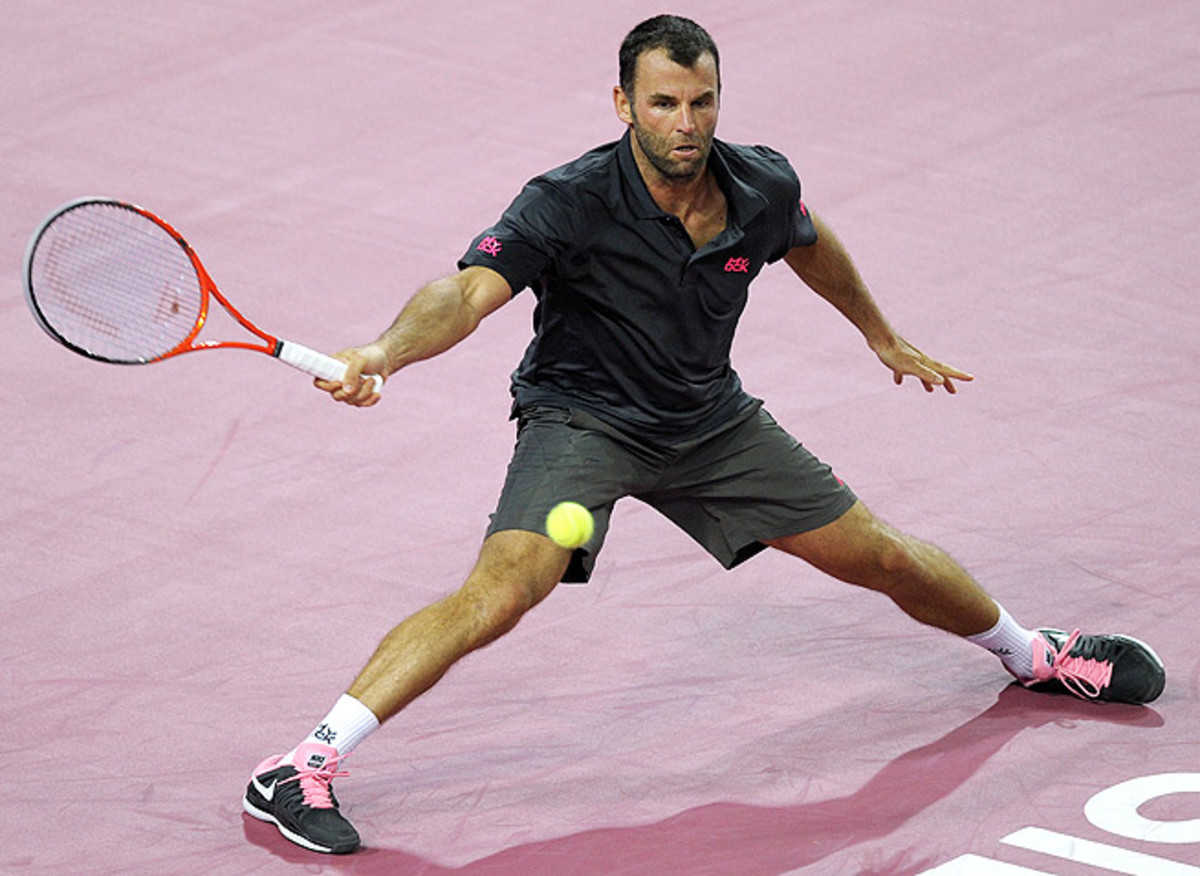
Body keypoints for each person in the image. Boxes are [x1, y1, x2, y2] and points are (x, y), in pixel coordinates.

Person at [242, 15, 1166, 855]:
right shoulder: (565, 200)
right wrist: (387, 351)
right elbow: (466, 292)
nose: (685, 122)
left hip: (708, 420)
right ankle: (301, 766)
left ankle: (1033, 655)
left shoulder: (759, 183)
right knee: (502, 591)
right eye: (663, 104)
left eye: (701, 101)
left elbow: (807, 240)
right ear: (624, 105)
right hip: (584, 418)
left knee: (878, 554)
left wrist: (877, 331)